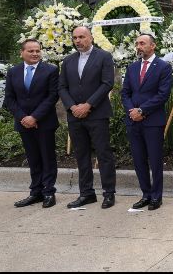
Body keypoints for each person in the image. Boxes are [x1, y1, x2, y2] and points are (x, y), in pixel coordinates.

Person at [59, 26, 116, 209]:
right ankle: (86, 193)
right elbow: (62, 87)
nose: (78, 41)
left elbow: (107, 83)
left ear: (91, 37)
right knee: (81, 155)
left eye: (82, 37)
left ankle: (108, 193)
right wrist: (72, 106)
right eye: (75, 37)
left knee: (103, 154)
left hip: (97, 114)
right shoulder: (68, 61)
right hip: (75, 116)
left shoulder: (104, 57)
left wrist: (88, 105)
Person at [3, 39, 59, 208]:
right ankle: (36, 192)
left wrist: (34, 117)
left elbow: (52, 97)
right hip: (23, 123)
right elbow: (10, 99)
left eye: (37, 51)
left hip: (44, 122)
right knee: (33, 158)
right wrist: (23, 118)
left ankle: (49, 192)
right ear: (22, 53)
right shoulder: (13, 72)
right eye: (31, 51)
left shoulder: (51, 70)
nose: (35, 54)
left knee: (47, 158)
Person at [120, 33, 173, 211]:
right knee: (139, 159)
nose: (139, 46)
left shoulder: (163, 67)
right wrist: (131, 111)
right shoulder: (132, 67)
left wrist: (142, 110)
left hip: (152, 121)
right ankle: (146, 194)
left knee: (155, 160)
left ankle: (156, 196)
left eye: (142, 43)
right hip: (133, 121)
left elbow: (162, 95)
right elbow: (125, 92)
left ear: (153, 46)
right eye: (137, 44)